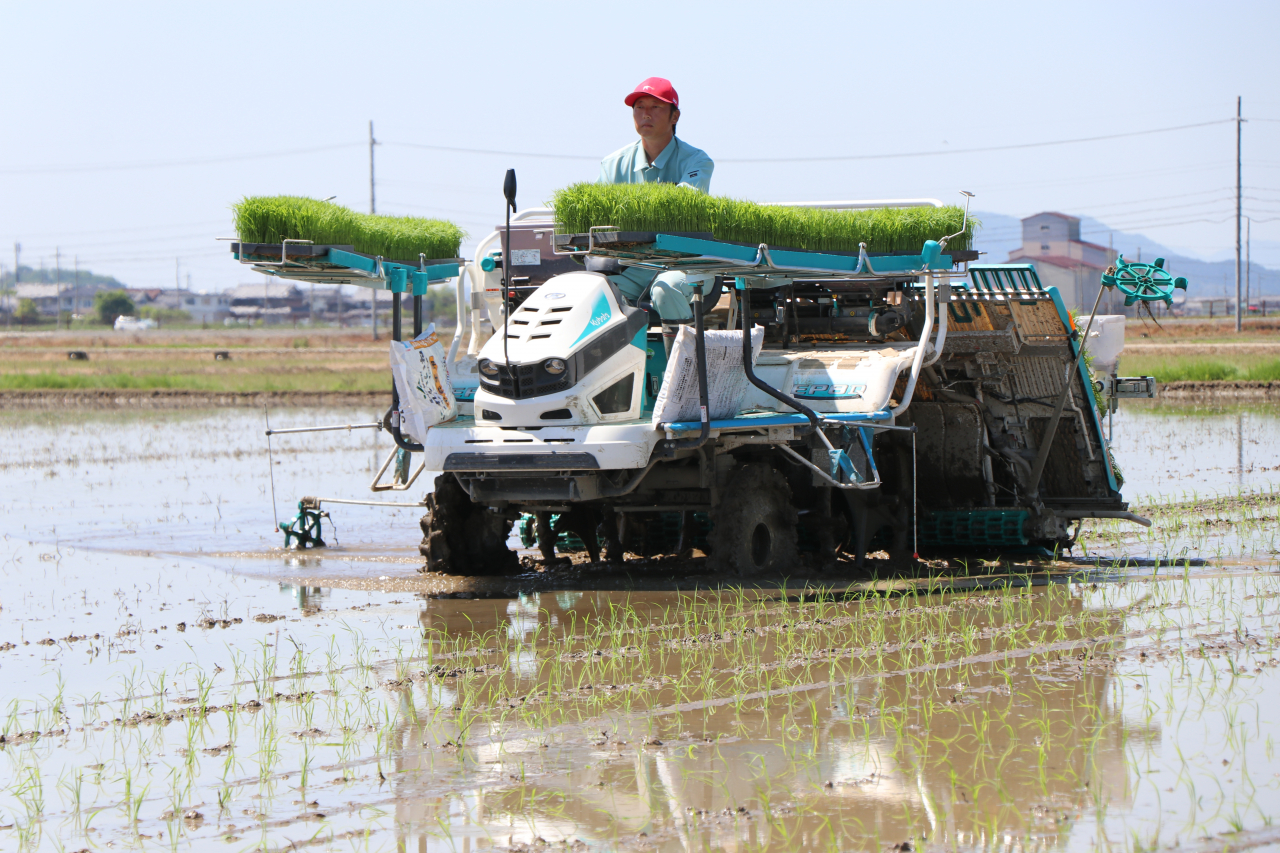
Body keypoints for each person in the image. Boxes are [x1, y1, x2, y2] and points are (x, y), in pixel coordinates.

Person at [598, 78, 715, 351]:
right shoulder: (612, 164)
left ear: (675, 116)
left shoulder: (697, 160)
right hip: (635, 265)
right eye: (639, 107)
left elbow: (684, 202)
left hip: (687, 262)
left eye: (656, 107)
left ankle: (686, 374)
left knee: (665, 287)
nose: (646, 114)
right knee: (597, 291)